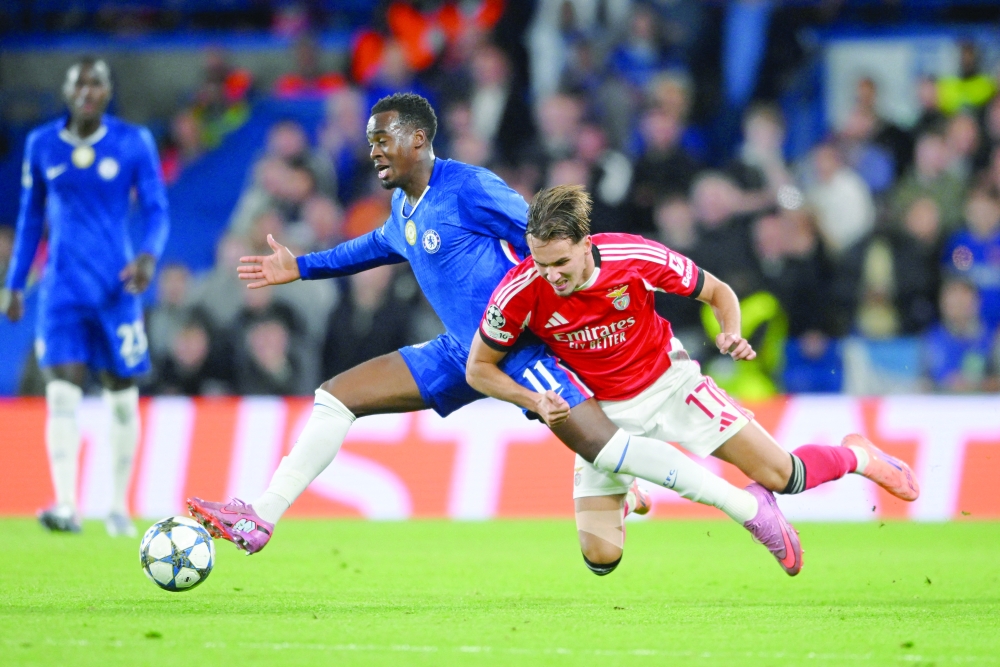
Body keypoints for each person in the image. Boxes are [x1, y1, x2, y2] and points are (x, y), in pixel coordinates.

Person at [187, 94, 800, 576]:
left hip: (527, 347)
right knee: (336, 396)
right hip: (463, 350)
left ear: (419, 138)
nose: (373, 151)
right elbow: (372, 247)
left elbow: (549, 233)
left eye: (384, 139)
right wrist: (302, 266)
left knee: (607, 453)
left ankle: (746, 509)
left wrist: (588, 300)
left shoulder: (469, 187)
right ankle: (262, 516)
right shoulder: (404, 208)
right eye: (370, 141)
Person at [465, 185, 922, 570]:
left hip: (671, 386)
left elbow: (717, 291)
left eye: (560, 263)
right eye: (540, 263)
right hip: (600, 416)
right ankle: (626, 480)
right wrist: (532, 399)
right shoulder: (521, 290)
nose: (550, 275)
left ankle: (858, 457)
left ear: (586, 244)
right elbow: (478, 369)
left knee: (786, 476)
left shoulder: (634, 256)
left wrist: (731, 332)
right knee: (600, 557)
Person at [1, 57, 170, 536]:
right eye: (79, 83)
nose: (87, 91)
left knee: (120, 400)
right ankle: (67, 504)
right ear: (67, 90)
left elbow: (157, 210)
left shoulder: (133, 142)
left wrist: (148, 258)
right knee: (61, 395)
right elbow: (31, 219)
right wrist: (15, 283)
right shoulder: (41, 144)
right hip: (60, 292)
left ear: (108, 91)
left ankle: (117, 506)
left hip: (115, 290)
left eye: (96, 83)